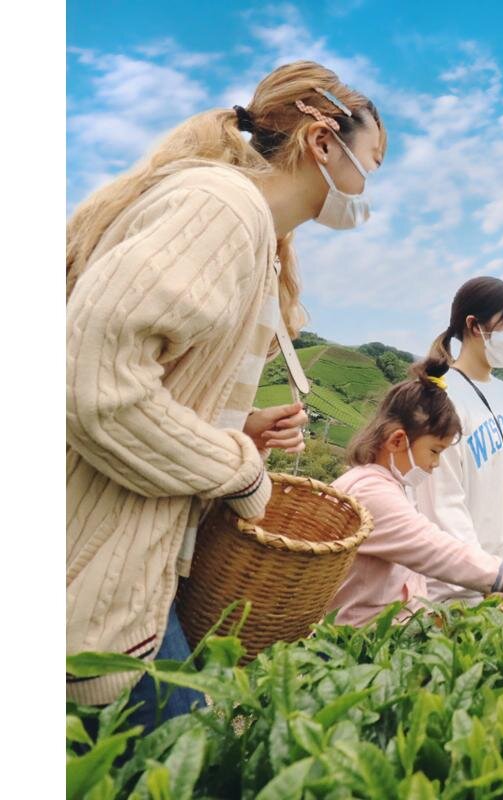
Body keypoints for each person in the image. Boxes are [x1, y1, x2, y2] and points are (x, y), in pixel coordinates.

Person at [66, 60, 385, 731]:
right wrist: (237, 467)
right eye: (372, 161)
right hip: (95, 573)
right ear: (322, 140)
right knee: (196, 752)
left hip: (131, 572)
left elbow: (149, 378)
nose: (369, 187)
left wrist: (239, 426)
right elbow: (95, 386)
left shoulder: (250, 231)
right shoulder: (220, 209)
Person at [328, 362, 503, 625]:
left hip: (389, 628)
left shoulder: (389, 485)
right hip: (358, 640)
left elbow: (410, 578)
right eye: (434, 451)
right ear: (397, 441)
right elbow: (434, 549)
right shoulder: (369, 492)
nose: (435, 464)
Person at [412, 277, 503, 604]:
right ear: (474, 325)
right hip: (460, 583)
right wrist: (488, 578)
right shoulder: (438, 396)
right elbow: (441, 503)